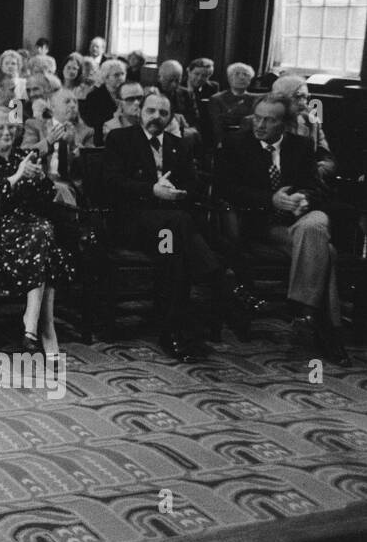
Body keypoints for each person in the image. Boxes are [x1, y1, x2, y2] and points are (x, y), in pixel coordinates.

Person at [102, 92, 259, 360]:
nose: (156, 118)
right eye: (151, 111)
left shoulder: (180, 144)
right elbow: (111, 183)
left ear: (171, 117)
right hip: (135, 225)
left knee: (174, 251)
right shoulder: (120, 139)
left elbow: (194, 185)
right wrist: (152, 190)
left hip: (169, 231)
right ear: (140, 112)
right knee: (181, 227)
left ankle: (175, 334)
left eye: (163, 113)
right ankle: (220, 284)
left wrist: (178, 193)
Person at [214, 95, 350, 364]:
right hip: (260, 225)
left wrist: (304, 200)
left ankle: (306, 311)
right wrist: (270, 199)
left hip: (298, 222)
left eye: (269, 120)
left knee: (316, 222)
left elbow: (315, 188)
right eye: (257, 117)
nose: (260, 124)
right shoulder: (235, 144)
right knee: (327, 252)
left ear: (284, 124)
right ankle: (325, 329)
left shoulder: (300, 146)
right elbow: (224, 189)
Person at [0, 107, 75, 357]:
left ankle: (33, 324)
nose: (6, 132)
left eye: (10, 127)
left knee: (44, 232)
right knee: (46, 237)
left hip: (33, 228)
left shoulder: (24, 156)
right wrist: (16, 177)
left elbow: (47, 198)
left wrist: (39, 181)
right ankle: (44, 327)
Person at [205, 62, 256, 143]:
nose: (242, 77)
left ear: (250, 80)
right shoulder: (217, 99)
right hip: (226, 139)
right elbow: (217, 126)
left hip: (252, 139)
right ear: (229, 78)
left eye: (246, 75)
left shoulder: (256, 99)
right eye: (237, 74)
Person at [80, 58, 127, 146]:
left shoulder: (126, 94)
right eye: (116, 75)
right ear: (106, 78)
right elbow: (93, 123)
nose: (121, 78)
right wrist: (114, 116)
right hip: (103, 140)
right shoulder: (94, 96)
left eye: (123, 74)